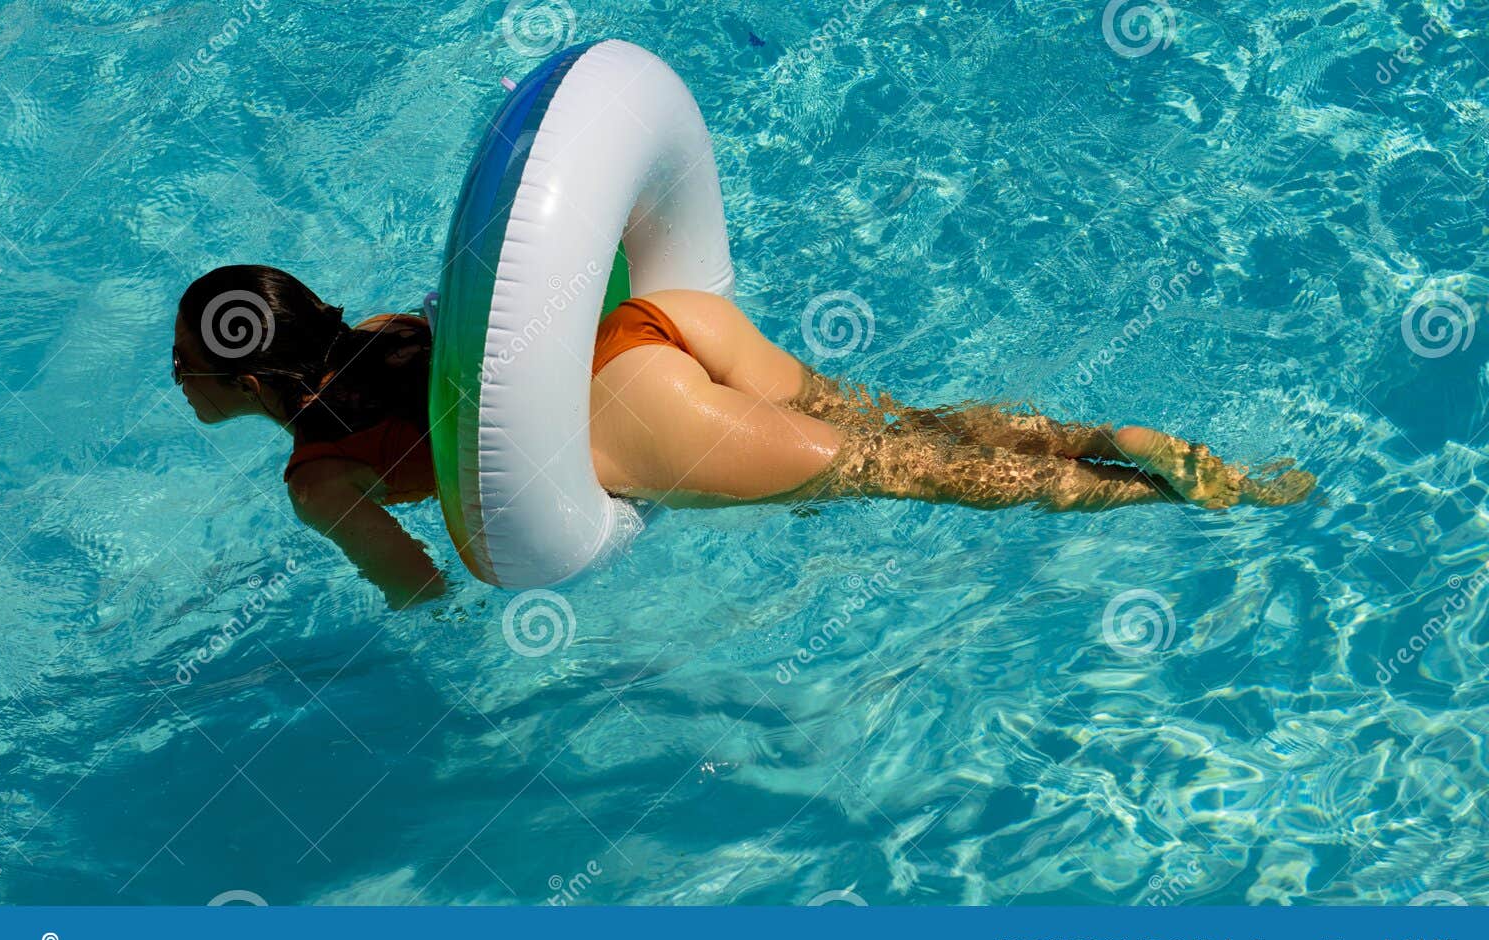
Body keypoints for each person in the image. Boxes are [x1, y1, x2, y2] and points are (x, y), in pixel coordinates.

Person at [173, 265, 1314, 608]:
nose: (177, 378)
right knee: (891, 420)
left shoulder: (318, 480)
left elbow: (419, 591)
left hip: (631, 418)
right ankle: (1102, 432)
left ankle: (1180, 494)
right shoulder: (381, 331)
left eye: (187, 362)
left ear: (243, 378)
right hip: (651, 329)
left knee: (906, 476)